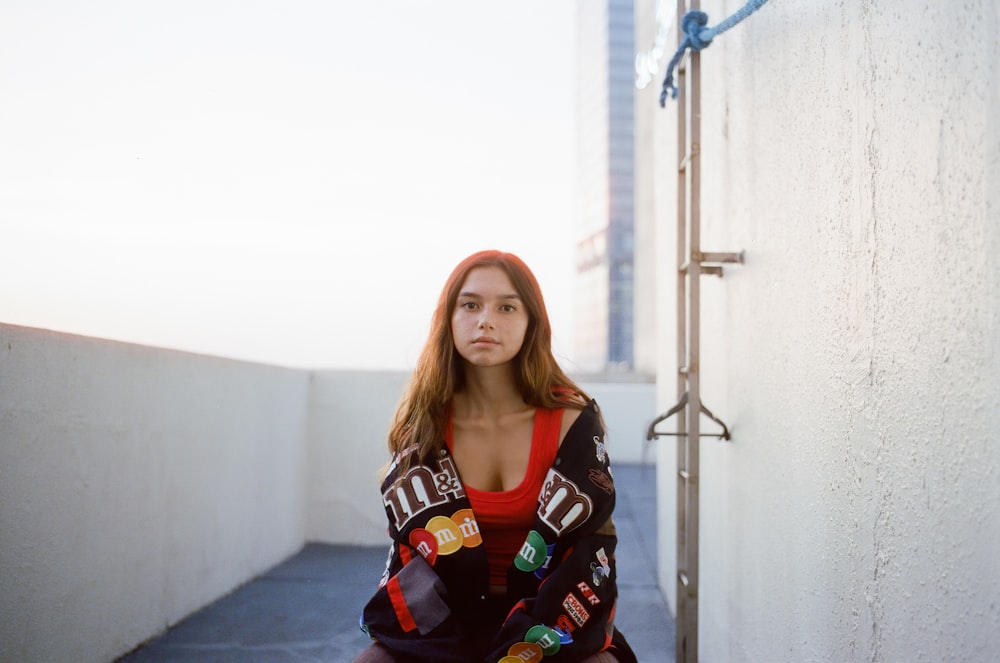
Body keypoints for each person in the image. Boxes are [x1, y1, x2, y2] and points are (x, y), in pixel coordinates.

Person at [354, 250, 636, 663]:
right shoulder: (425, 428)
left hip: (552, 623)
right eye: (470, 305)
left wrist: (520, 652)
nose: (485, 319)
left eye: (507, 307)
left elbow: (591, 554)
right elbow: (408, 556)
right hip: (444, 624)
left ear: (531, 323)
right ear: (448, 320)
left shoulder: (570, 424)